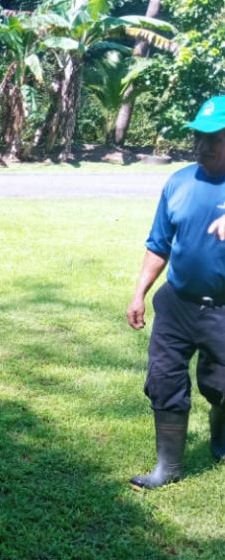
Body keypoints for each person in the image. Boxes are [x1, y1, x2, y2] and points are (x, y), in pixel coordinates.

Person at [126, 95, 225, 488]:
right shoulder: (179, 182)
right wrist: (139, 293)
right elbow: (158, 243)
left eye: (213, 137)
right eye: (198, 136)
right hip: (177, 305)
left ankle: (220, 439)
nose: (202, 145)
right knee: (164, 380)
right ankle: (168, 468)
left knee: (221, 385)